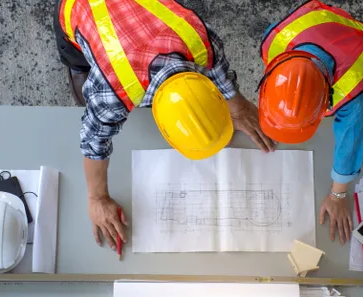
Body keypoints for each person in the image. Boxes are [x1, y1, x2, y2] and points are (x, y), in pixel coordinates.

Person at [53, 0, 276, 252]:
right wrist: (97, 197)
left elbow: (217, 67)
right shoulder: (111, 92)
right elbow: (94, 142)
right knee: (80, 62)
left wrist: (238, 108)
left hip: (137, 19)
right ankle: (82, 66)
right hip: (78, 7)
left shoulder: (200, 38)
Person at [258, 0, 363, 244]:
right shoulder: (277, 39)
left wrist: (337, 195)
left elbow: (350, 141)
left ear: (325, 104)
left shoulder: (353, 91)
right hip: (324, 29)